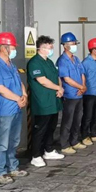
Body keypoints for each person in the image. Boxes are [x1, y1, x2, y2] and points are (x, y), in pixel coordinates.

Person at [0, 32, 29, 185]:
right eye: (12, 47)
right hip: (4, 110)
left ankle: (13, 167)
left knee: (14, 141)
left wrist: (24, 95)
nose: (14, 50)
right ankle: (0, 172)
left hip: (16, 108)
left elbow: (19, 82)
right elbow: (0, 89)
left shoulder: (11, 65)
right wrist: (18, 98)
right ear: (4, 48)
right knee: (2, 142)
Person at [26, 35, 64, 167]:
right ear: (41, 48)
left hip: (53, 101)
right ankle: (36, 155)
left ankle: (49, 150)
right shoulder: (34, 63)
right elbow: (42, 80)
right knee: (40, 130)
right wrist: (58, 88)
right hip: (42, 102)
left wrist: (60, 88)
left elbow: (56, 76)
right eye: (49, 47)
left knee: (51, 127)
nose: (51, 50)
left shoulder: (49, 62)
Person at [57, 32, 87, 154]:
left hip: (79, 94)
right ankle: (64, 144)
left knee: (77, 119)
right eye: (72, 43)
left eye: (75, 43)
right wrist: (80, 87)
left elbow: (82, 74)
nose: (75, 45)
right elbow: (66, 79)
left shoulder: (76, 59)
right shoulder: (62, 61)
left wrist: (83, 87)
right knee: (67, 121)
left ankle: (74, 141)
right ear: (65, 45)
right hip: (69, 95)